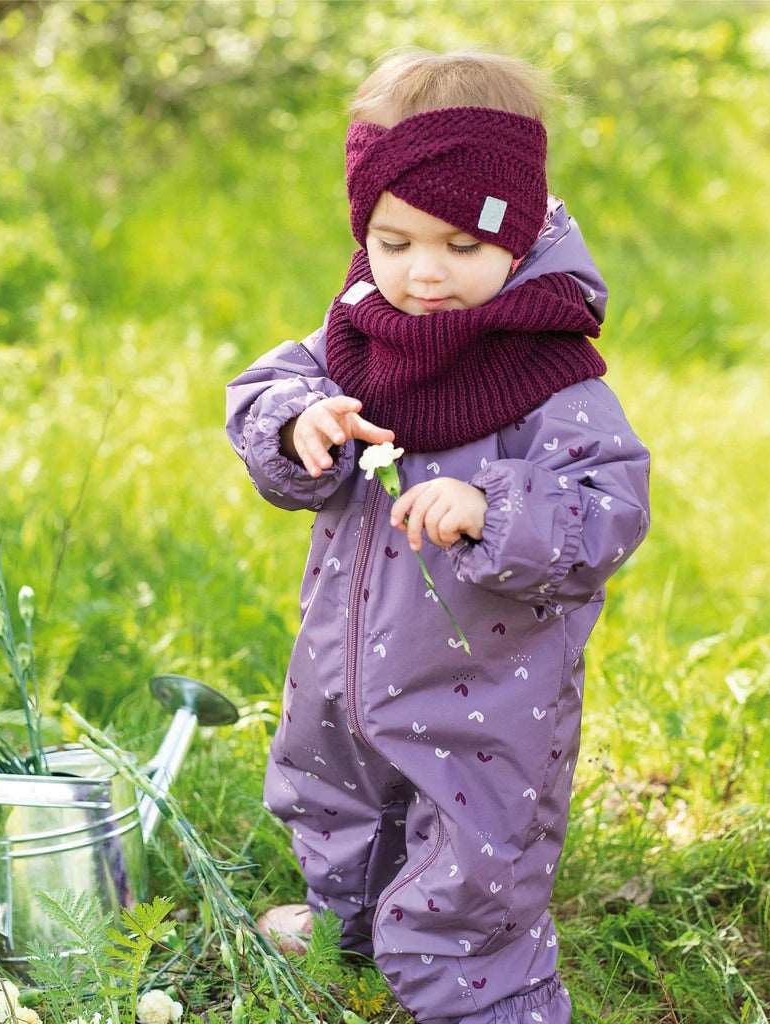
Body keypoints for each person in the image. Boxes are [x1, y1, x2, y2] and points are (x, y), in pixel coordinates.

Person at [225, 47, 651, 1024]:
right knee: (329, 792)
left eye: (462, 245)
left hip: (484, 693)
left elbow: (606, 509)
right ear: (363, 229)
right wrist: (300, 424)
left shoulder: (551, 374)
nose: (424, 271)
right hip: (341, 664)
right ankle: (347, 920)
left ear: (522, 228)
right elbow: (263, 391)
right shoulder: (355, 336)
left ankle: (480, 993)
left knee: (474, 846)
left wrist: (492, 508)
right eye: (395, 239)